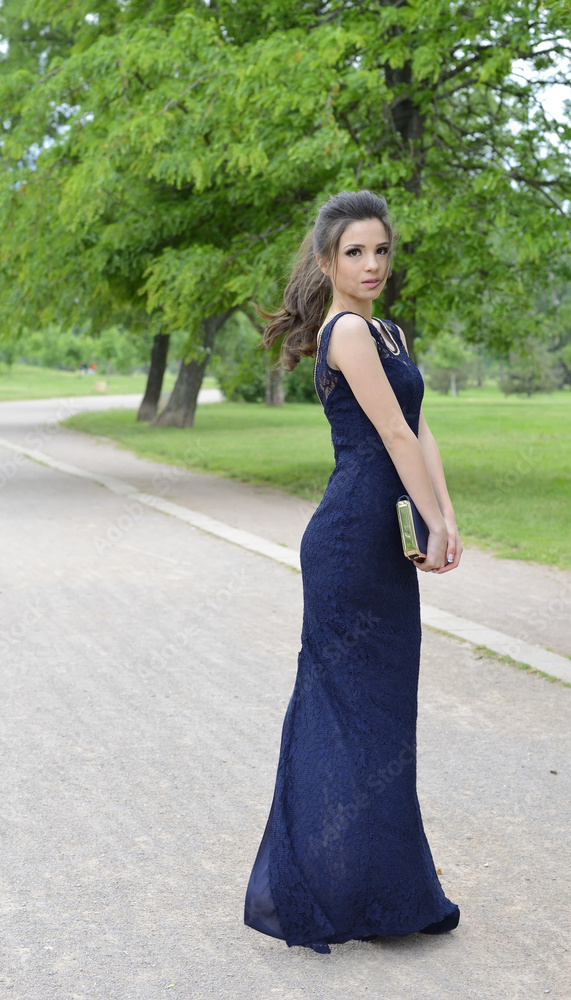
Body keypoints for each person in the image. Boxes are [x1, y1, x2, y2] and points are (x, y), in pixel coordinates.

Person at [243, 190, 463, 953]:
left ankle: (389, 891)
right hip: (347, 547)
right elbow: (392, 435)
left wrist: (446, 515)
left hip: (384, 544)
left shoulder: (389, 333)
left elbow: (422, 429)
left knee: (384, 720)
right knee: (346, 717)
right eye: (354, 252)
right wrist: (431, 521)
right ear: (325, 261)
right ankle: (324, 891)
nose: (371, 265)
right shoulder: (345, 332)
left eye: (380, 250)